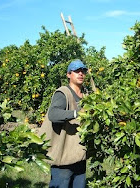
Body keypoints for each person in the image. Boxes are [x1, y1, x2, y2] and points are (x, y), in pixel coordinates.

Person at [46, 59, 88, 188]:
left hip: (79, 155)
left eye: (83, 71)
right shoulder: (63, 92)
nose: (80, 73)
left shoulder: (86, 95)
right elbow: (53, 114)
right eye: (76, 71)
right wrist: (76, 113)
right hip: (64, 156)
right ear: (69, 74)